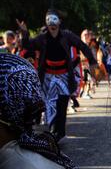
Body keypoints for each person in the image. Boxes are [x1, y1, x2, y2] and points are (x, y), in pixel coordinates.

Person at [17, 10, 98, 142]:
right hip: (48, 76)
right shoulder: (42, 38)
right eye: (49, 21)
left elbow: (82, 45)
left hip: (64, 76)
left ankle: (60, 132)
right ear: (47, 24)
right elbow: (27, 45)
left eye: (54, 21)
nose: (52, 25)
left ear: (59, 22)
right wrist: (24, 33)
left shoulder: (67, 36)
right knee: (50, 104)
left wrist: (92, 60)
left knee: (62, 103)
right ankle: (53, 131)